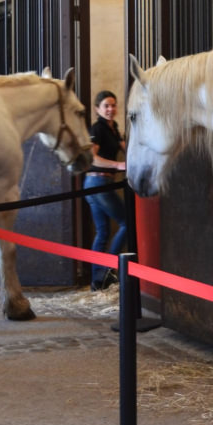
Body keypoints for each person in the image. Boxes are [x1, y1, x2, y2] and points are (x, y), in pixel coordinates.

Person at [84, 90, 127, 291]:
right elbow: (92, 158)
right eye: (106, 106)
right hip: (97, 183)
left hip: (98, 184)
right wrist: (118, 166)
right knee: (127, 223)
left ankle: (97, 281)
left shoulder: (113, 127)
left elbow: (125, 147)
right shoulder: (98, 128)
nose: (110, 109)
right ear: (97, 109)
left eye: (113, 105)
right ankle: (108, 270)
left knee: (103, 232)